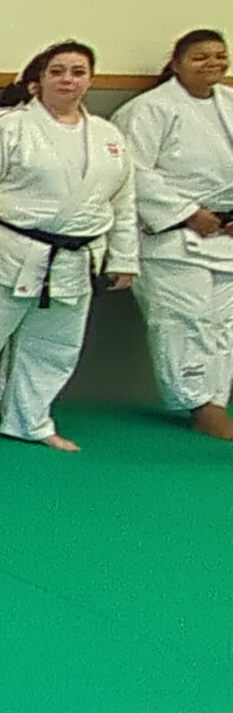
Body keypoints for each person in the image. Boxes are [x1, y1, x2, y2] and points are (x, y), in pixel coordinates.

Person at [0, 42, 138, 451]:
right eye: (57, 71)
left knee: (55, 346)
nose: (67, 80)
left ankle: (31, 420)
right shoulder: (7, 127)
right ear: (37, 81)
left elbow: (123, 201)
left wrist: (124, 257)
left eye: (77, 72)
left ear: (90, 80)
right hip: (9, 248)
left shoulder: (108, 135)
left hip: (76, 256)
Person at [114, 29, 233, 441]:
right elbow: (132, 171)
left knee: (224, 324)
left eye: (220, 55)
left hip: (225, 234)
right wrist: (188, 213)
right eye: (200, 57)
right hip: (171, 236)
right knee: (184, 321)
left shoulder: (230, 102)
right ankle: (199, 404)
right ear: (177, 62)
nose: (212, 63)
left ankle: (217, 399)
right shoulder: (148, 109)